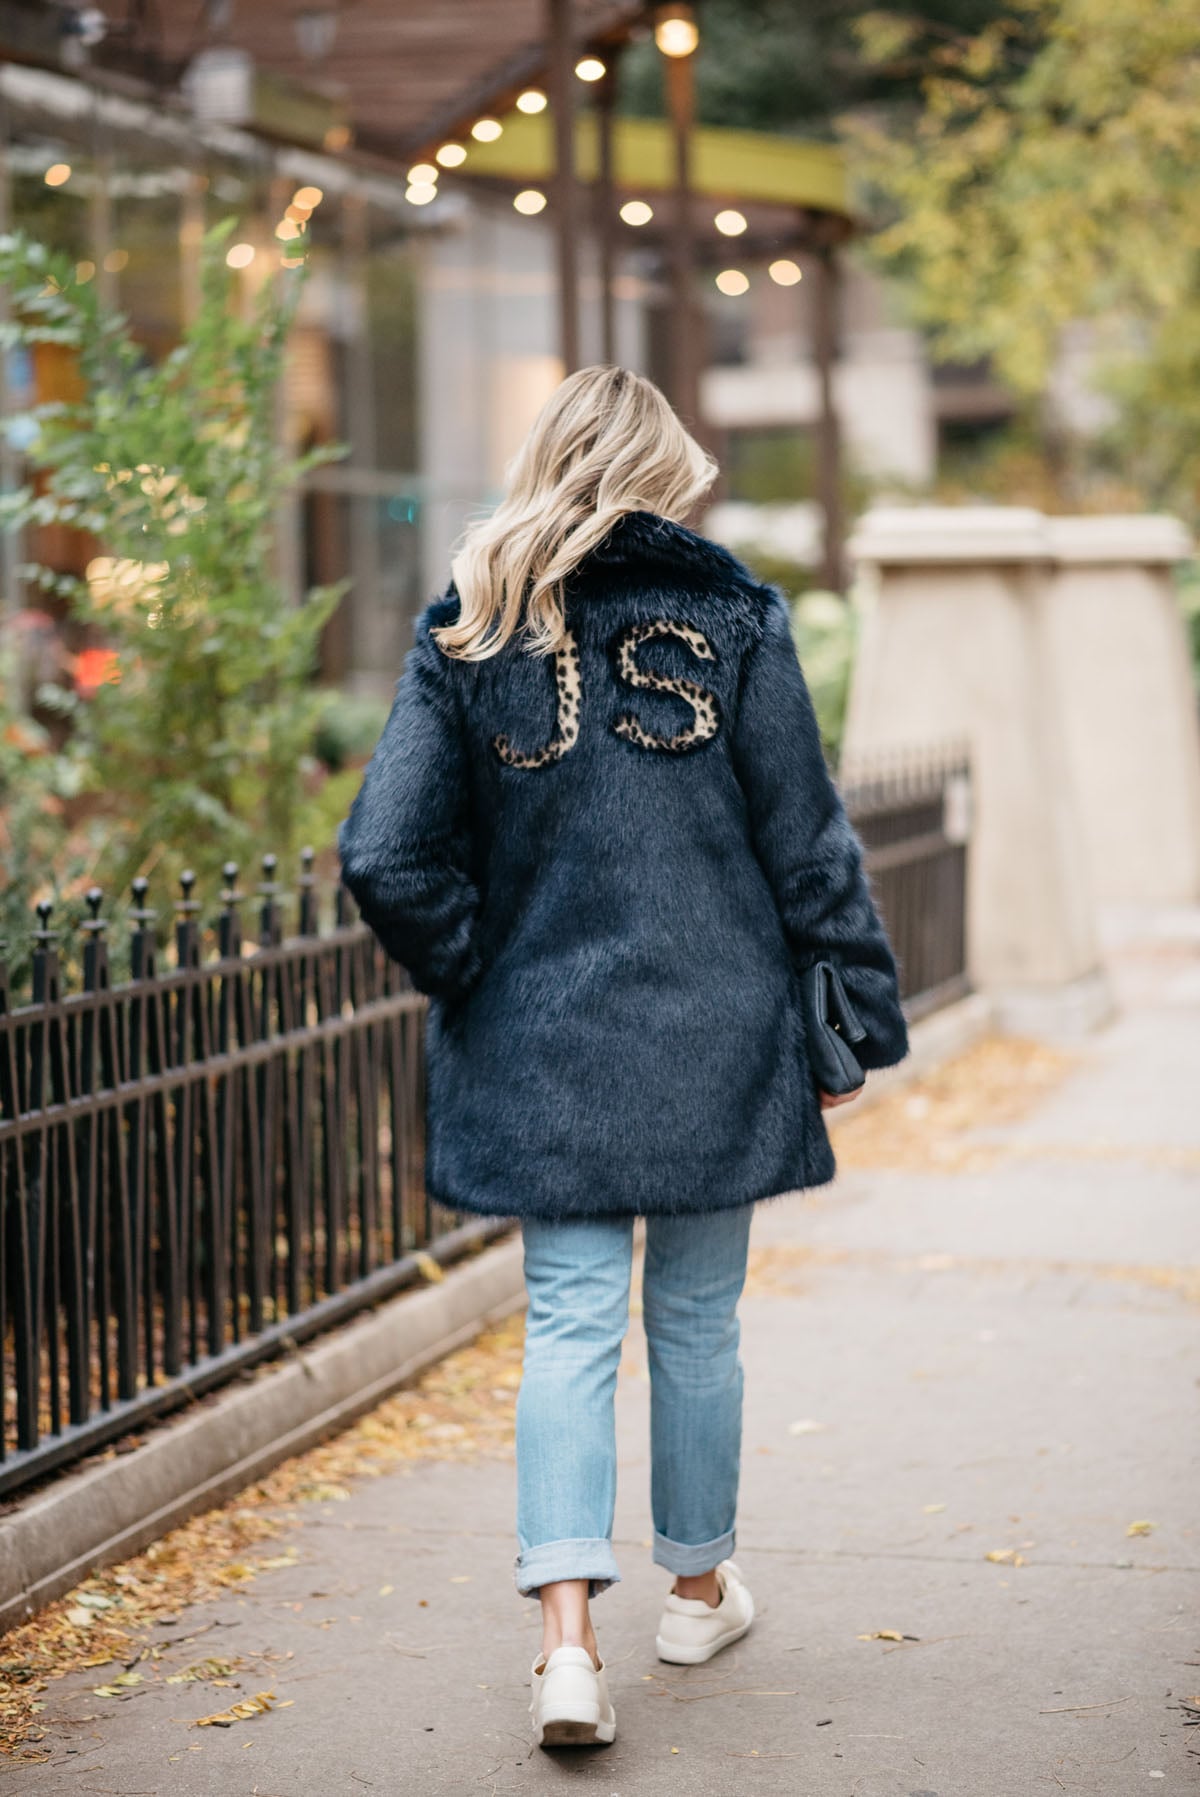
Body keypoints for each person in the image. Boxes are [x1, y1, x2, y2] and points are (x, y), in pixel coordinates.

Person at [337, 366, 908, 1751]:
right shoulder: (736, 620)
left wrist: (484, 970)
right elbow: (807, 843)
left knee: (569, 1325)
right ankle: (698, 1589)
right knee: (699, 1325)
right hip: (716, 1035)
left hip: (547, 1045)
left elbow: (385, 853)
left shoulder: (472, 629)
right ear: (662, 473)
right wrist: (859, 1008)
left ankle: (567, 1648)